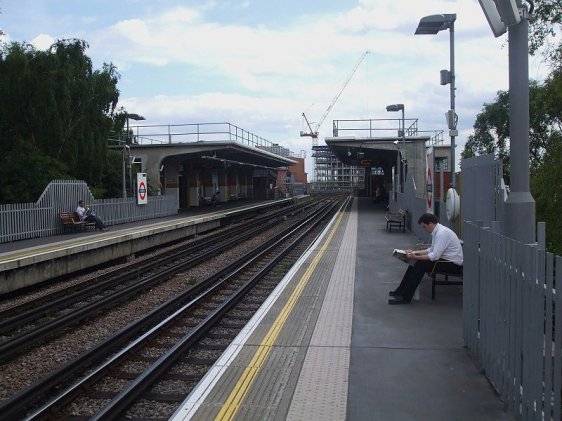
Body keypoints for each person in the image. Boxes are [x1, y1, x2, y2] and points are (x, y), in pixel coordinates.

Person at [388, 213, 462, 305]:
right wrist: (414, 252)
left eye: (424, 227)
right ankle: (401, 291)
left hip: (453, 265)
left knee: (420, 264)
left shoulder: (441, 234)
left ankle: (406, 297)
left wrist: (415, 256)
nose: (424, 230)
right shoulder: (437, 231)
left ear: (430, 224)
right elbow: (430, 249)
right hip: (444, 260)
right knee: (415, 262)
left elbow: (434, 256)